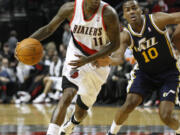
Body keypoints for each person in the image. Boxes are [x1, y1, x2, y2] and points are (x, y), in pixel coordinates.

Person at [22, 0, 120, 135]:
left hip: (98, 60)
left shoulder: (109, 13)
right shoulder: (70, 8)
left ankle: (72, 123)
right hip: (76, 53)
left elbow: (115, 44)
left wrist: (89, 59)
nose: (96, 1)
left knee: (81, 112)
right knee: (67, 95)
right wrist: (25, 43)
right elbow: (49, 29)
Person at [95, 0, 180, 134]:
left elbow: (177, 17)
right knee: (129, 103)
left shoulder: (156, 19)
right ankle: (111, 133)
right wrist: (109, 60)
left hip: (168, 73)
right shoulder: (125, 35)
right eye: (128, 10)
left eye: (134, 8)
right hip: (145, 74)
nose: (131, 12)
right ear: (124, 15)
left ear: (140, 10)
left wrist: (177, 37)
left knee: (165, 115)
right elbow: (119, 58)